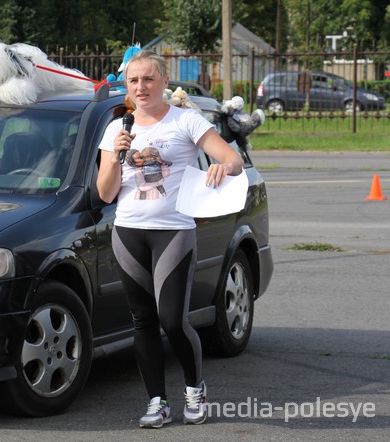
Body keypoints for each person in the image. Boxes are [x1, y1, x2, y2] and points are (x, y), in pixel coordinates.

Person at [96, 50, 244, 429]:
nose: (141, 87)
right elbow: (106, 194)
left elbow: (232, 158)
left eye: (148, 79)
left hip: (173, 231)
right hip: (128, 232)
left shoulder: (185, 120)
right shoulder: (117, 129)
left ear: (163, 82)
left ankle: (195, 389)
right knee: (142, 321)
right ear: (126, 87)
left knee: (173, 321)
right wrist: (115, 158)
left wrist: (220, 166)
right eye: (133, 81)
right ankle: (157, 403)